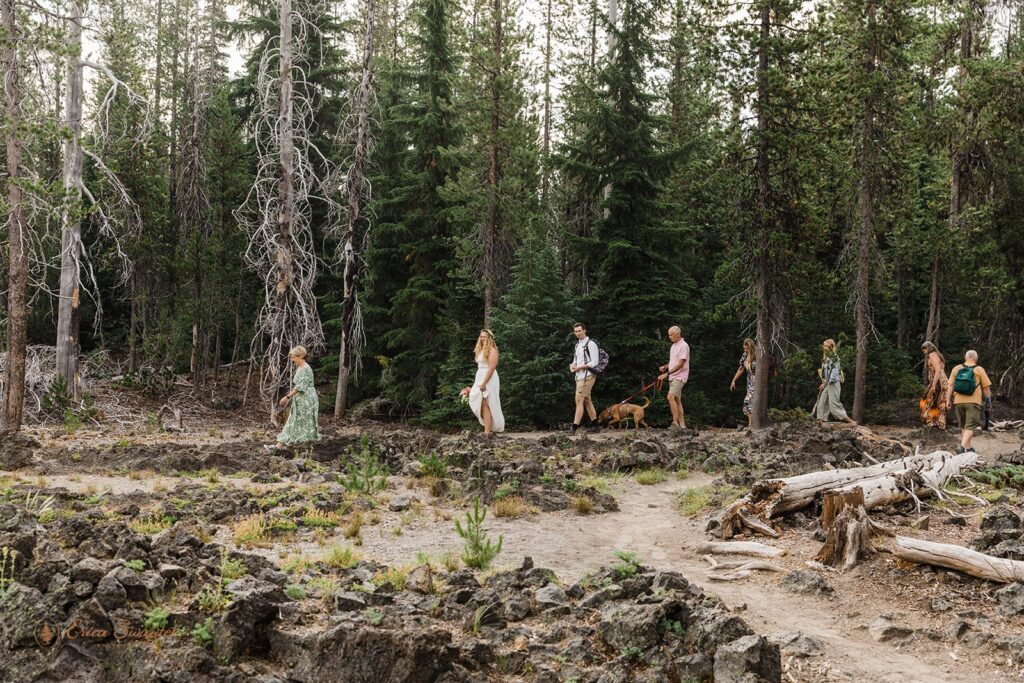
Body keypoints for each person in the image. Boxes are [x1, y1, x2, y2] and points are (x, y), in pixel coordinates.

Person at [264, 346, 320, 452]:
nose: (292, 360)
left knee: (303, 422)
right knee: (294, 421)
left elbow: (300, 387)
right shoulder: (300, 367)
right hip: (301, 399)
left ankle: (303, 447)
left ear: (300, 357)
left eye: (293, 357)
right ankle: (279, 447)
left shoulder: (305, 369)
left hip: (306, 400)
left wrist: (287, 397)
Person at [944, 350, 992, 453]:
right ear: (975, 359)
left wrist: (948, 400)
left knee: (964, 425)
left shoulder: (956, 368)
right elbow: (986, 388)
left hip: (958, 401)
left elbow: (950, 386)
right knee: (970, 426)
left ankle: (968, 448)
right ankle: (962, 447)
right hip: (973, 401)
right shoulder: (979, 369)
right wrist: (988, 401)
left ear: (965, 358)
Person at [460, 329, 504, 437]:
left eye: (484, 336)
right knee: (480, 403)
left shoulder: (492, 350)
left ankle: (487, 431)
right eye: (481, 336)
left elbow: (491, 369)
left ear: (489, 338)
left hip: (488, 378)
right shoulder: (480, 349)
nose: (482, 338)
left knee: (485, 404)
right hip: (480, 376)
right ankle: (488, 429)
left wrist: (484, 383)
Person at [814, 339, 856, 426]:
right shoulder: (825, 358)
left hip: (833, 384)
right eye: (823, 345)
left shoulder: (834, 358)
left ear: (831, 347)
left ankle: (851, 422)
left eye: (826, 346)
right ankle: (821, 422)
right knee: (821, 402)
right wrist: (824, 382)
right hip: (827, 383)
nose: (824, 347)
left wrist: (824, 383)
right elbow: (825, 373)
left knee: (834, 406)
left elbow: (833, 375)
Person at [658, 326, 689, 430]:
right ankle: (683, 426)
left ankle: (675, 423)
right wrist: (666, 366)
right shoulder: (673, 346)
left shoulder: (684, 346)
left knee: (670, 397)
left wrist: (666, 374)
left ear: (678, 334)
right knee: (677, 400)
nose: (669, 337)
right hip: (673, 376)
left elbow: (681, 364)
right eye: (669, 334)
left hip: (680, 376)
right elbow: (674, 361)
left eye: (671, 334)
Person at [570, 322, 599, 433]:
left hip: (588, 376)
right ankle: (595, 425)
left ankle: (574, 427)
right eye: (576, 331)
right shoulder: (578, 344)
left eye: (579, 330)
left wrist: (580, 367)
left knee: (579, 400)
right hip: (579, 376)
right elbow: (575, 360)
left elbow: (594, 362)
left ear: (584, 330)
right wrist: (573, 366)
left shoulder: (591, 344)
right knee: (586, 400)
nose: (578, 333)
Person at [919, 341, 948, 430]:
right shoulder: (937, 355)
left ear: (928, 348)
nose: (923, 352)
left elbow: (938, 370)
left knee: (928, 400)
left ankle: (931, 422)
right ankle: (940, 424)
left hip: (938, 381)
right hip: (943, 381)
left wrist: (933, 384)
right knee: (940, 402)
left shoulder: (932, 354)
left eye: (924, 349)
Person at [730, 338, 757, 428]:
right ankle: (752, 424)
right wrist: (734, 380)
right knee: (750, 402)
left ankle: (751, 425)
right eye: (744, 348)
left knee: (748, 401)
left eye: (747, 348)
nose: (745, 350)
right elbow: (741, 369)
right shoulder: (745, 355)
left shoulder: (757, 355)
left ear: (751, 347)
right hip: (749, 381)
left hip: (757, 381)